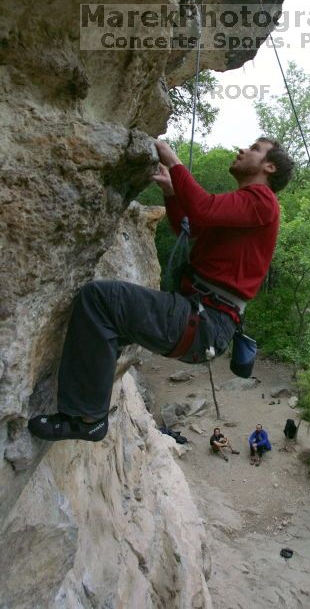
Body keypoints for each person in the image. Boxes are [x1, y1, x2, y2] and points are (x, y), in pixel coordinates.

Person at [28, 137, 294, 442]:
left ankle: (88, 418)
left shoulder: (261, 200)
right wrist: (171, 191)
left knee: (100, 299)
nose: (242, 150)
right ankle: (88, 404)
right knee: (107, 321)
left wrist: (173, 160)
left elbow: (203, 208)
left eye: (255, 149)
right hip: (202, 318)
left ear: (269, 167)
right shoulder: (248, 204)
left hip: (204, 320)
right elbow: (192, 225)